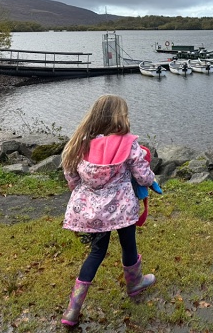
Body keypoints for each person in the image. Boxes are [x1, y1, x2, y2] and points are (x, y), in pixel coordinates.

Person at [60, 94, 157, 327]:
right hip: (122, 209)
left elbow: (70, 174)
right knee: (128, 245)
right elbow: (143, 175)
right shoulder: (128, 143)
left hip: (92, 211)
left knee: (96, 253)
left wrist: (83, 192)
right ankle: (135, 283)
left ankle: (73, 309)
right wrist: (151, 181)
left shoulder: (81, 142)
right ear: (120, 117)